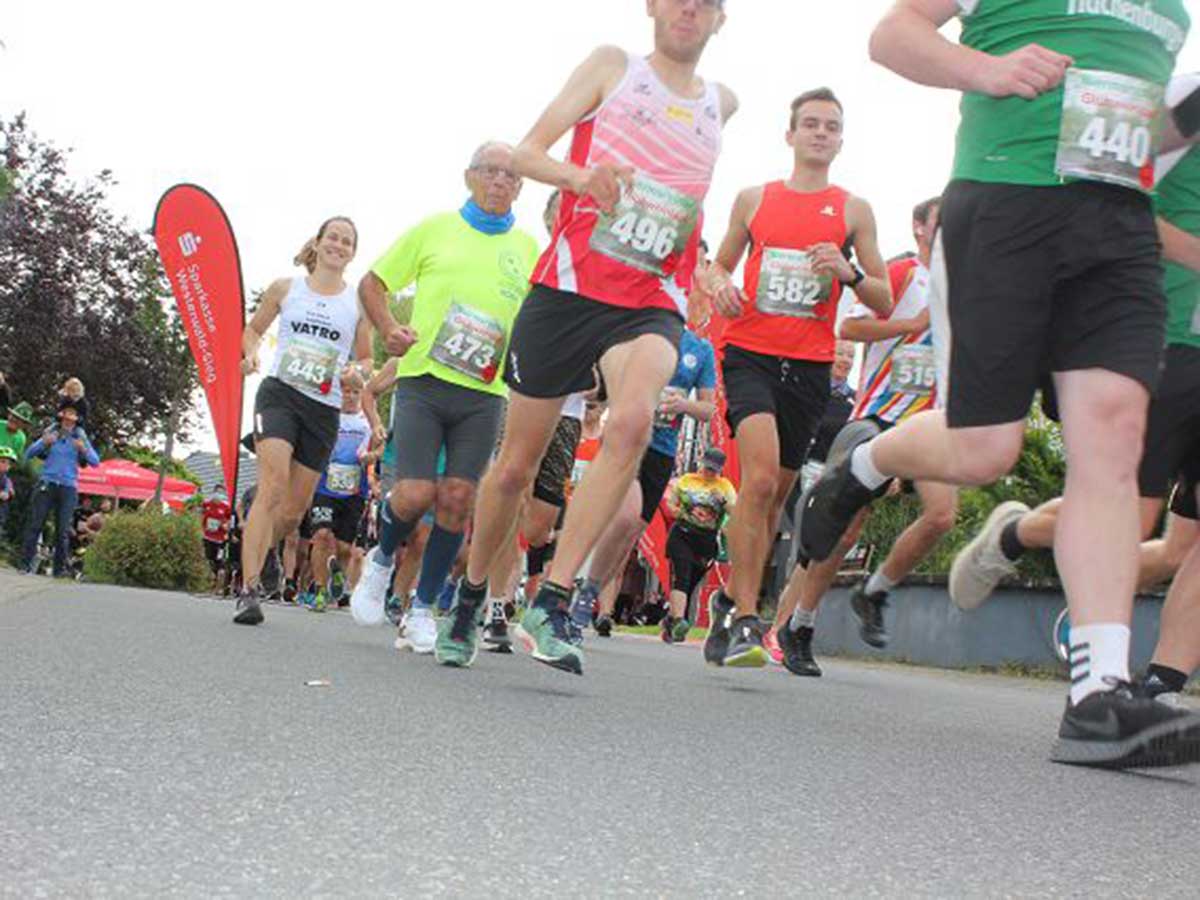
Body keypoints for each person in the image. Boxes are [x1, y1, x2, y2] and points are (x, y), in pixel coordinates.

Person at [800, 0, 1198, 768]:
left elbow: (1150, 130)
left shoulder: (1171, 11)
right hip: (1008, 200)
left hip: (1118, 224)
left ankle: (1098, 697)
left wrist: (1180, 118)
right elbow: (893, 33)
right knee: (985, 450)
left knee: (1112, 433)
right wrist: (986, 68)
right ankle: (864, 465)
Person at [440, 0, 737, 674]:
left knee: (632, 422)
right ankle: (472, 592)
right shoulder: (613, 67)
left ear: (722, 18)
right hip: (570, 290)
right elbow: (526, 151)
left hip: (649, 302)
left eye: (707, 1)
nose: (690, 7)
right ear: (653, 8)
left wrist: (707, 266)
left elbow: (688, 191)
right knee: (515, 467)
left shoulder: (723, 102)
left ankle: (553, 595)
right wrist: (582, 178)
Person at [702, 87, 892, 668]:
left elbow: (882, 299)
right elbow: (715, 266)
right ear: (790, 135)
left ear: (840, 139)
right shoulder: (755, 199)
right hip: (750, 353)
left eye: (830, 126)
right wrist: (720, 289)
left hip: (808, 368)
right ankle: (745, 618)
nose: (818, 133)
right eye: (809, 124)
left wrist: (849, 271)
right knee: (757, 484)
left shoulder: (854, 210)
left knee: (778, 496)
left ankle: (728, 600)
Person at [348, 141, 540, 658]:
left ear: (520, 186)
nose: (501, 181)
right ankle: (382, 557)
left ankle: (423, 610)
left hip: (484, 393)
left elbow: (543, 318)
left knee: (458, 499)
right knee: (413, 494)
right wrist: (388, 327)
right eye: (491, 171)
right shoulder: (435, 229)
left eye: (511, 175)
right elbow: (373, 282)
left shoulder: (527, 249)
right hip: (425, 382)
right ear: (469, 177)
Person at [777, 197, 957, 676]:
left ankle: (873, 590)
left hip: (924, 424)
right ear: (920, 227)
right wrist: (910, 325)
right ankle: (800, 624)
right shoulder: (901, 274)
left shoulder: (960, 289)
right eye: (943, 219)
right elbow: (849, 326)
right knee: (846, 526)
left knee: (941, 516)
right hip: (877, 417)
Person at [235, 215, 372, 625]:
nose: (338, 245)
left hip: (323, 408)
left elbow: (366, 358)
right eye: (333, 237)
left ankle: (260, 554)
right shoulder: (286, 288)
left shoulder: (356, 304)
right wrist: (251, 354)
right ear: (319, 242)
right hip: (280, 395)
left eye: (347, 241)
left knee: (294, 512)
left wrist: (357, 373)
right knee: (272, 485)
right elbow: (252, 329)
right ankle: (250, 587)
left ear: (352, 253)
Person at [566, 321, 718, 642]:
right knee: (619, 518)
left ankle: (588, 592)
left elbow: (708, 408)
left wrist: (682, 405)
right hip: (627, 438)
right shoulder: (645, 328)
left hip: (662, 450)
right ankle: (580, 596)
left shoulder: (700, 350)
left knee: (630, 530)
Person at [309, 371, 372, 611]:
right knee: (322, 536)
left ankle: (338, 580)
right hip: (325, 488)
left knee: (345, 548)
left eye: (356, 392)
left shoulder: (367, 422)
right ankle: (320, 590)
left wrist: (370, 457)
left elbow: (377, 449)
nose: (350, 397)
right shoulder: (327, 416)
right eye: (346, 391)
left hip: (354, 491)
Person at [661, 446, 736, 641]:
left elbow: (735, 512)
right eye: (707, 467)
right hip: (682, 533)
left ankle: (671, 620)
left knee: (691, 582)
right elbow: (671, 502)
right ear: (701, 463)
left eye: (714, 469)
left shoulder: (725, 486)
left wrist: (724, 502)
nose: (709, 472)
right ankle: (679, 622)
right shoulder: (686, 480)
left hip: (706, 540)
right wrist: (674, 510)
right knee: (682, 577)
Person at [19, 402, 99, 577]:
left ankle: (59, 571)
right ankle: (25, 565)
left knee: (63, 529)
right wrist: (44, 443)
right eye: (67, 413)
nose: (69, 417)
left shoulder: (80, 437)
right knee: (35, 524)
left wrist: (83, 449)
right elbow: (29, 452)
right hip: (47, 483)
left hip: (68, 487)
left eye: (73, 415)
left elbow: (95, 462)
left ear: (77, 419)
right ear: (61, 415)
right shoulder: (52, 432)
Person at [201, 489, 234, 594]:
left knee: (219, 561)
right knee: (208, 558)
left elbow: (230, 520)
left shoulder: (226, 507)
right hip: (208, 537)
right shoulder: (207, 504)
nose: (217, 497)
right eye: (215, 494)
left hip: (220, 540)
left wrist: (225, 526)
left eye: (219, 494)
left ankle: (221, 586)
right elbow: (201, 514)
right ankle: (211, 582)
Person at [0, 445, 16, 535]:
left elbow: (10, 492)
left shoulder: (6, 480)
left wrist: (10, 493)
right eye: (3, 462)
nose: (6, 465)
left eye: (9, 463)